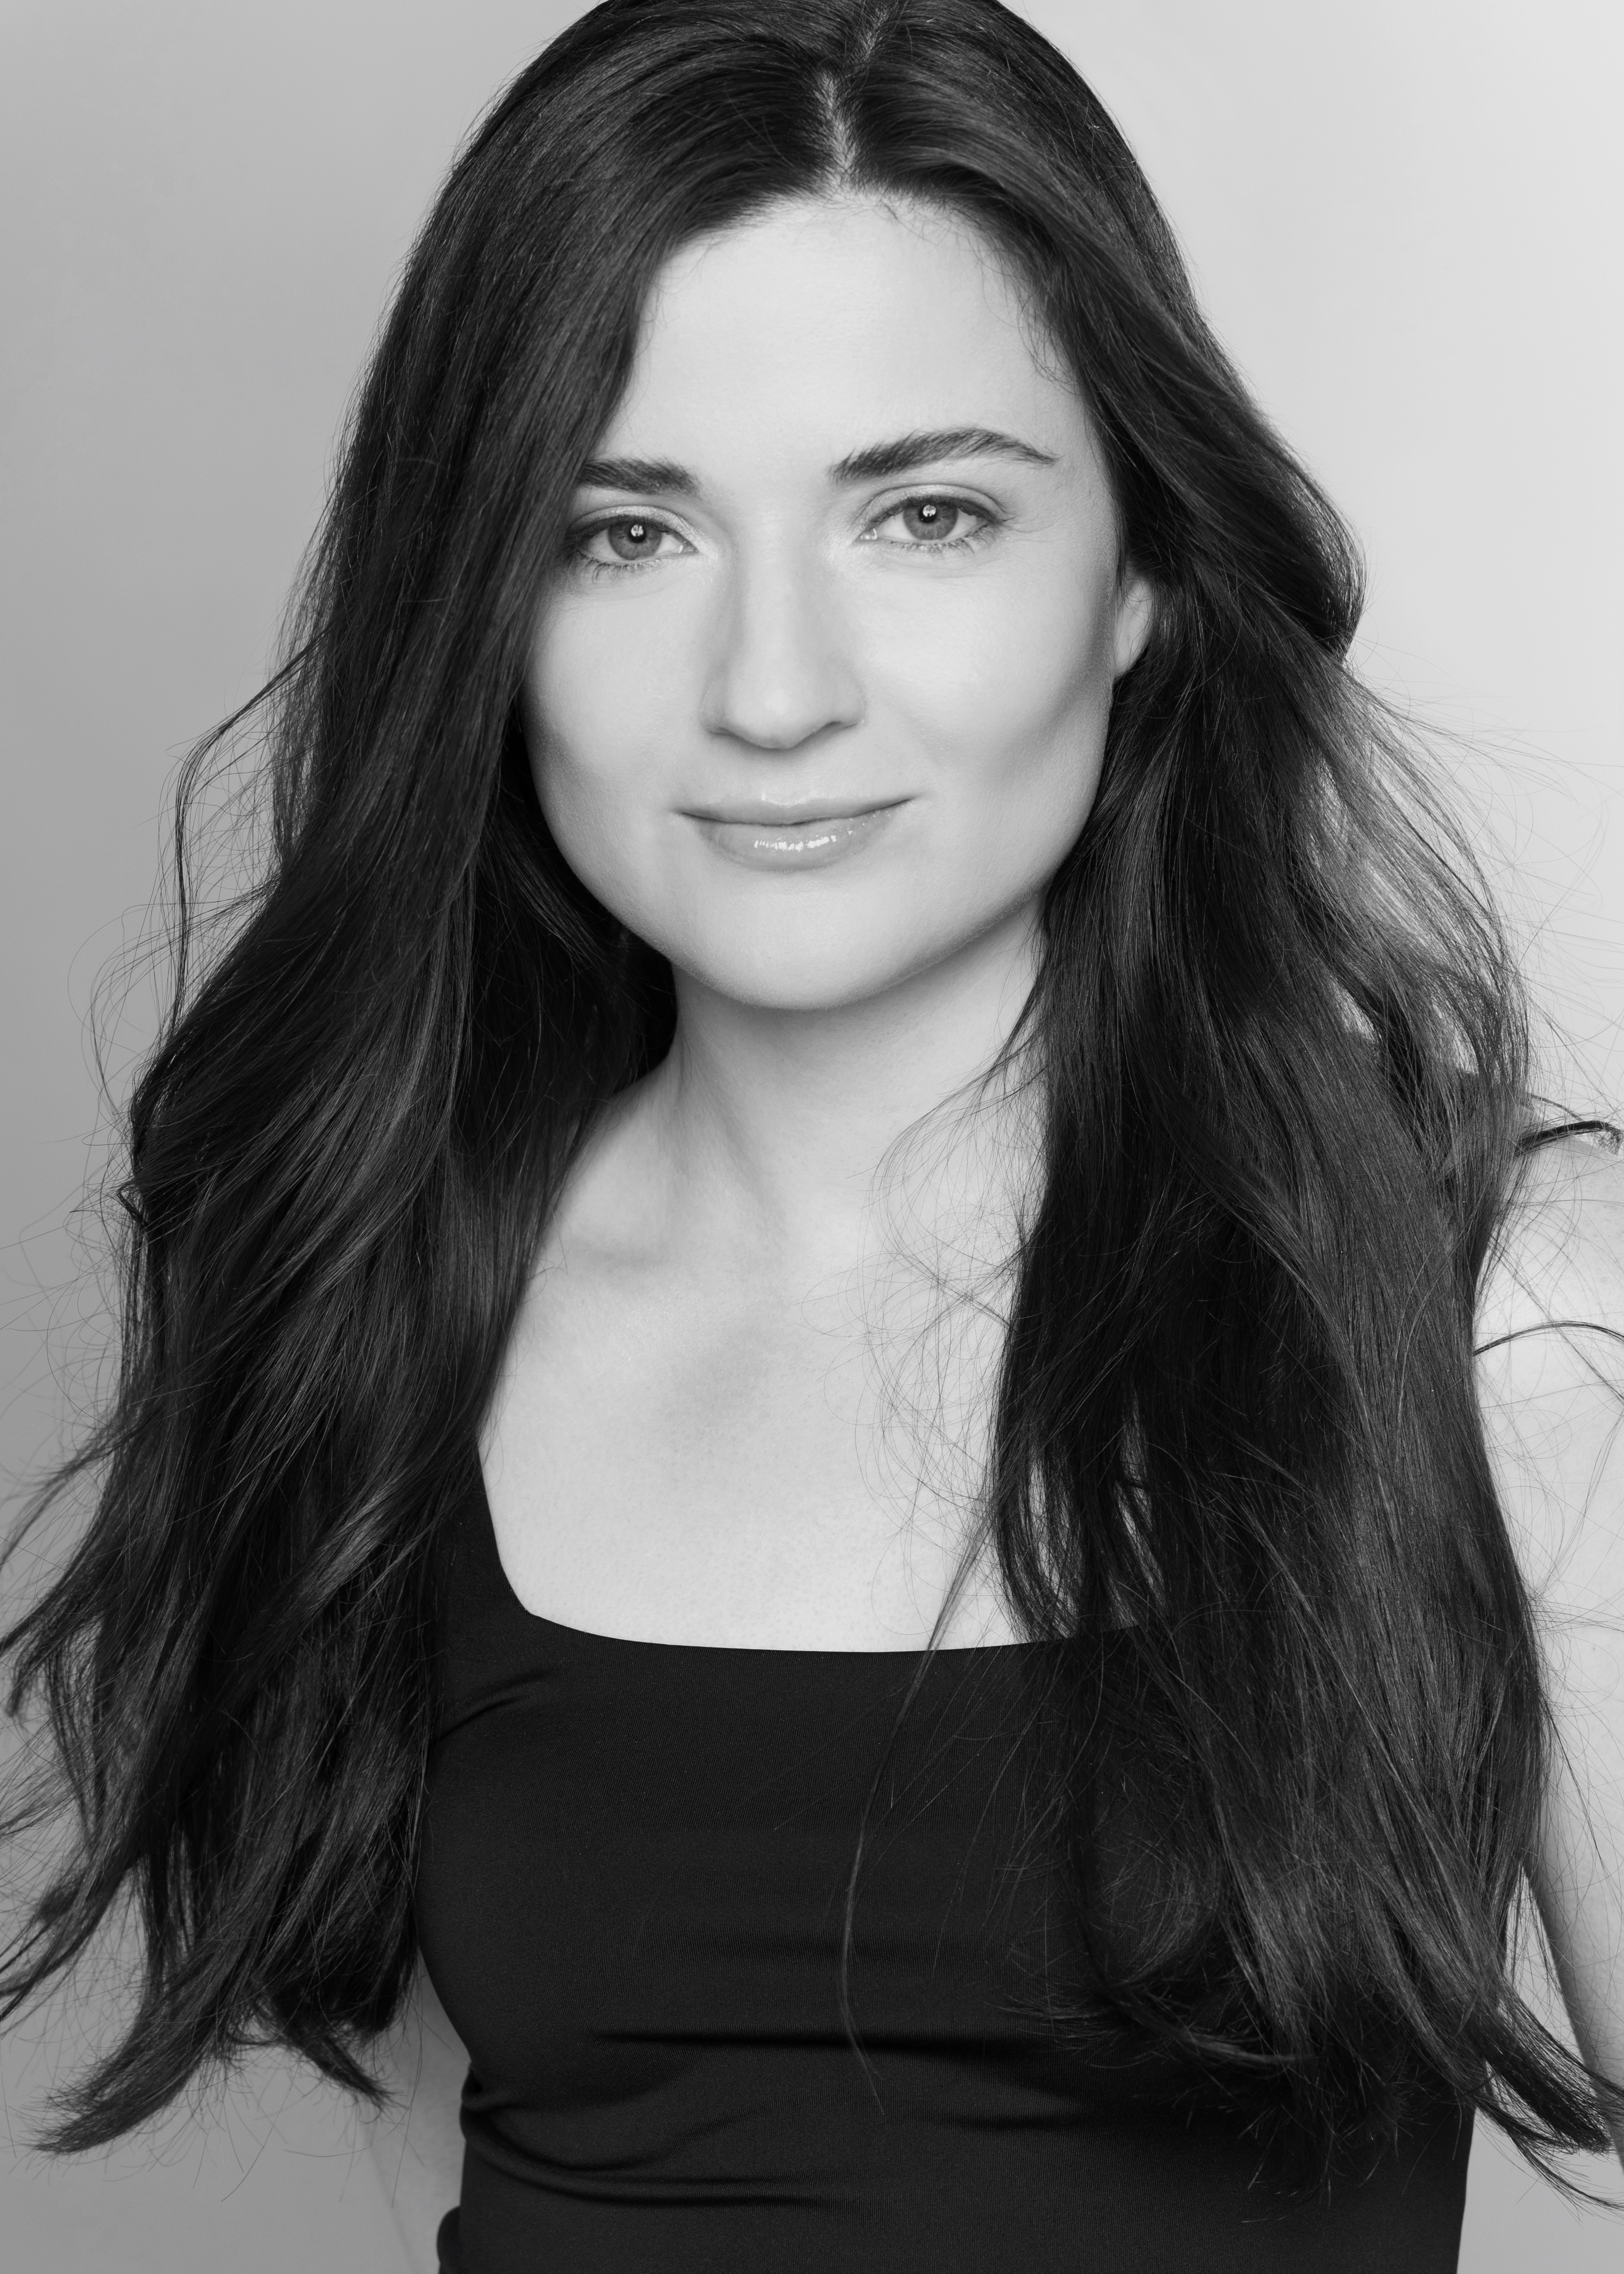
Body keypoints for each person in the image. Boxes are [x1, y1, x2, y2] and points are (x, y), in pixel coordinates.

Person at [4, 1, 1622, 2268]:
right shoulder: (377, 1286)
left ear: (1145, 571)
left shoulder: (1510, 1307)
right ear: (481, 607)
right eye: (621, 533)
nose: (773, 692)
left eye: (926, 514)